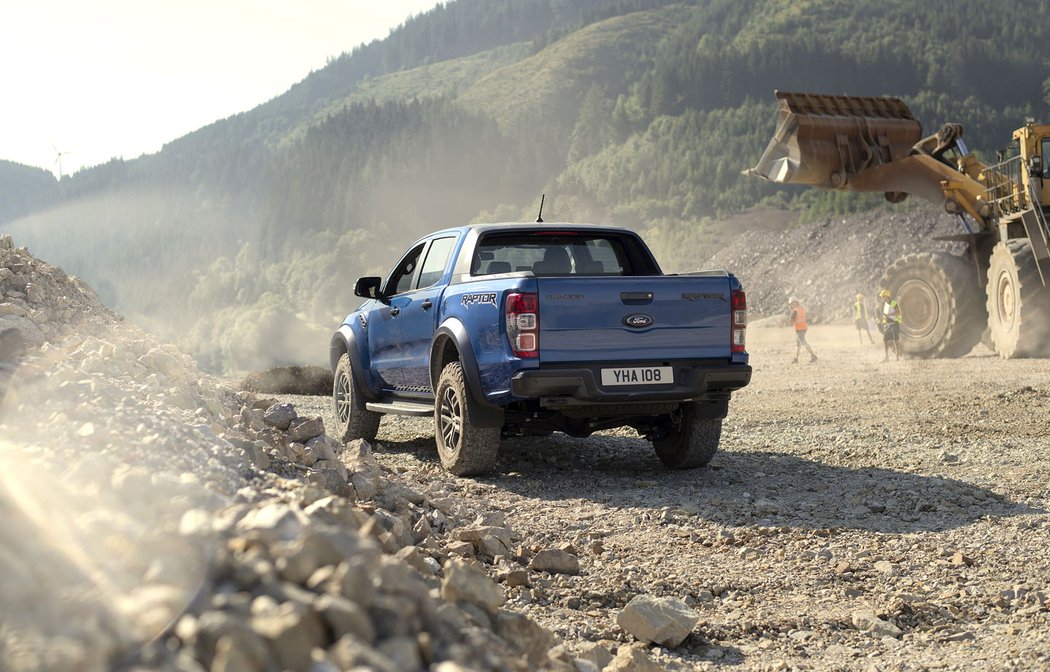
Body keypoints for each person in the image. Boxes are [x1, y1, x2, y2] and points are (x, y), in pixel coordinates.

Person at [787, 297, 818, 363]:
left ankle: (813, 356)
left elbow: (791, 321)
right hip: (803, 328)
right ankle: (796, 358)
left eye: (791, 304)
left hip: (799, 329)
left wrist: (787, 322)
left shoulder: (795, 311)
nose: (790, 305)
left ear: (795, 303)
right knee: (798, 344)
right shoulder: (801, 309)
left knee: (803, 343)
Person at [879, 288, 903, 362]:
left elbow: (898, 312)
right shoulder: (884, 305)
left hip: (895, 323)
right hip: (888, 325)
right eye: (882, 297)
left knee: (895, 339)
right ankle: (887, 357)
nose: (882, 298)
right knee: (885, 339)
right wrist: (884, 323)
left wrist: (888, 314)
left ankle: (897, 357)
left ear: (886, 296)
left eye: (883, 296)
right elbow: (885, 316)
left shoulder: (893, 303)